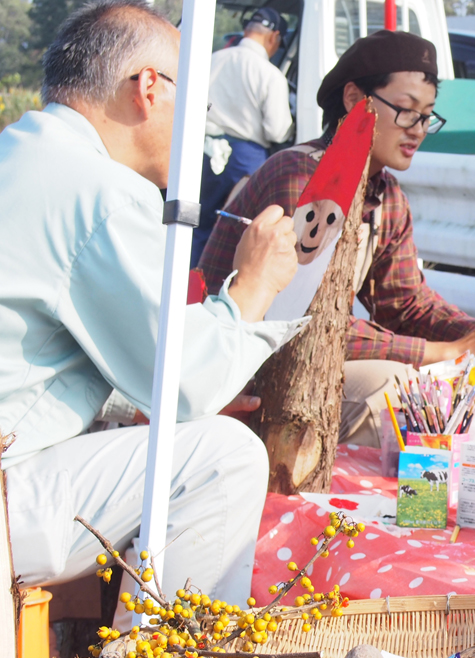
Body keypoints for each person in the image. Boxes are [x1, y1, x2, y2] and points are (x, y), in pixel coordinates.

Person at [0, 0, 301, 606]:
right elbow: (186, 384)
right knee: (224, 456)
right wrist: (253, 286)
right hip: (10, 488)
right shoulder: (99, 188)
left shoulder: (21, 149)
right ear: (148, 88)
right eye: (200, 109)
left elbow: (38, 356)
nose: (202, 130)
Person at [199, 29, 475, 447]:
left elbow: (406, 303)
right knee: (392, 387)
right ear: (355, 99)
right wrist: (445, 351)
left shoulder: (387, 195)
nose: (418, 130)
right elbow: (305, 321)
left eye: (427, 116)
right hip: (245, 369)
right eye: (406, 111)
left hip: (309, 360)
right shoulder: (302, 178)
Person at [191, 6, 294, 265]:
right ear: (274, 38)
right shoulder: (270, 75)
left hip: (204, 151)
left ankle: (187, 281)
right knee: (237, 232)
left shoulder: (213, 59)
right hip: (245, 159)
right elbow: (277, 130)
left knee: (195, 224)